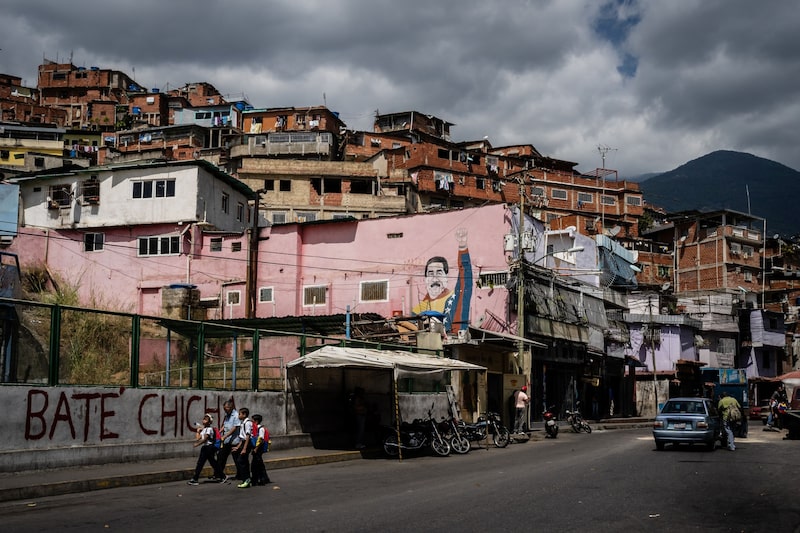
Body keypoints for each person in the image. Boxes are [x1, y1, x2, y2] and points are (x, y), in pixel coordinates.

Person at [411, 228, 472, 334]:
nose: (435, 278)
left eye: (439, 273)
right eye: (430, 273)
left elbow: (465, 278)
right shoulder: (418, 310)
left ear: (446, 276)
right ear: (425, 279)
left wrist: (463, 247)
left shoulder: (455, 299)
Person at [187, 413, 223, 485]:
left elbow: (205, 439)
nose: (204, 420)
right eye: (204, 419)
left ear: (209, 422)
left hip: (208, 448)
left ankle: (195, 478)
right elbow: (198, 438)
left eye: (206, 419)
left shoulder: (209, 429)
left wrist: (197, 444)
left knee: (201, 463)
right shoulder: (204, 430)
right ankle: (223, 476)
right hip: (206, 448)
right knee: (213, 463)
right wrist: (198, 431)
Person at [216, 400, 240, 482]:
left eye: (226, 408)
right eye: (224, 408)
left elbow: (234, 427)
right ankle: (218, 474)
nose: (225, 410)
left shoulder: (236, 415)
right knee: (221, 457)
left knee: (236, 459)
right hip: (226, 441)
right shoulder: (227, 415)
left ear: (231, 407)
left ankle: (240, 474)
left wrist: (225, 435)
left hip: (234, 441)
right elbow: (225, 425)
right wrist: (219, 431)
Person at [231, 407, 254, 488]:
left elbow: (247, 436)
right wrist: (238, 447)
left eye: (240, 414)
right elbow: (242, 437)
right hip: (244, 443)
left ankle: (246, 479)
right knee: (244, 461)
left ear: (244, 415)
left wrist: (244, 448)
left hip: (247, 443)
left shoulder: (247, 423)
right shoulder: (243, 423)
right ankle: (247, 479)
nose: (238, 415)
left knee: (241, 461)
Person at [249, 414, 271, 486]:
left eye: (252, 420)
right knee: (260, 464)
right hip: (256, 448)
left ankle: (258, 479)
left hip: (258, 449)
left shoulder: (260, 429)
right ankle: (264, 478)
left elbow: (261, 439)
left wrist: (256, 448)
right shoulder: (255, 428)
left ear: (256, 421)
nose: (251, 422)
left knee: (255, 465)